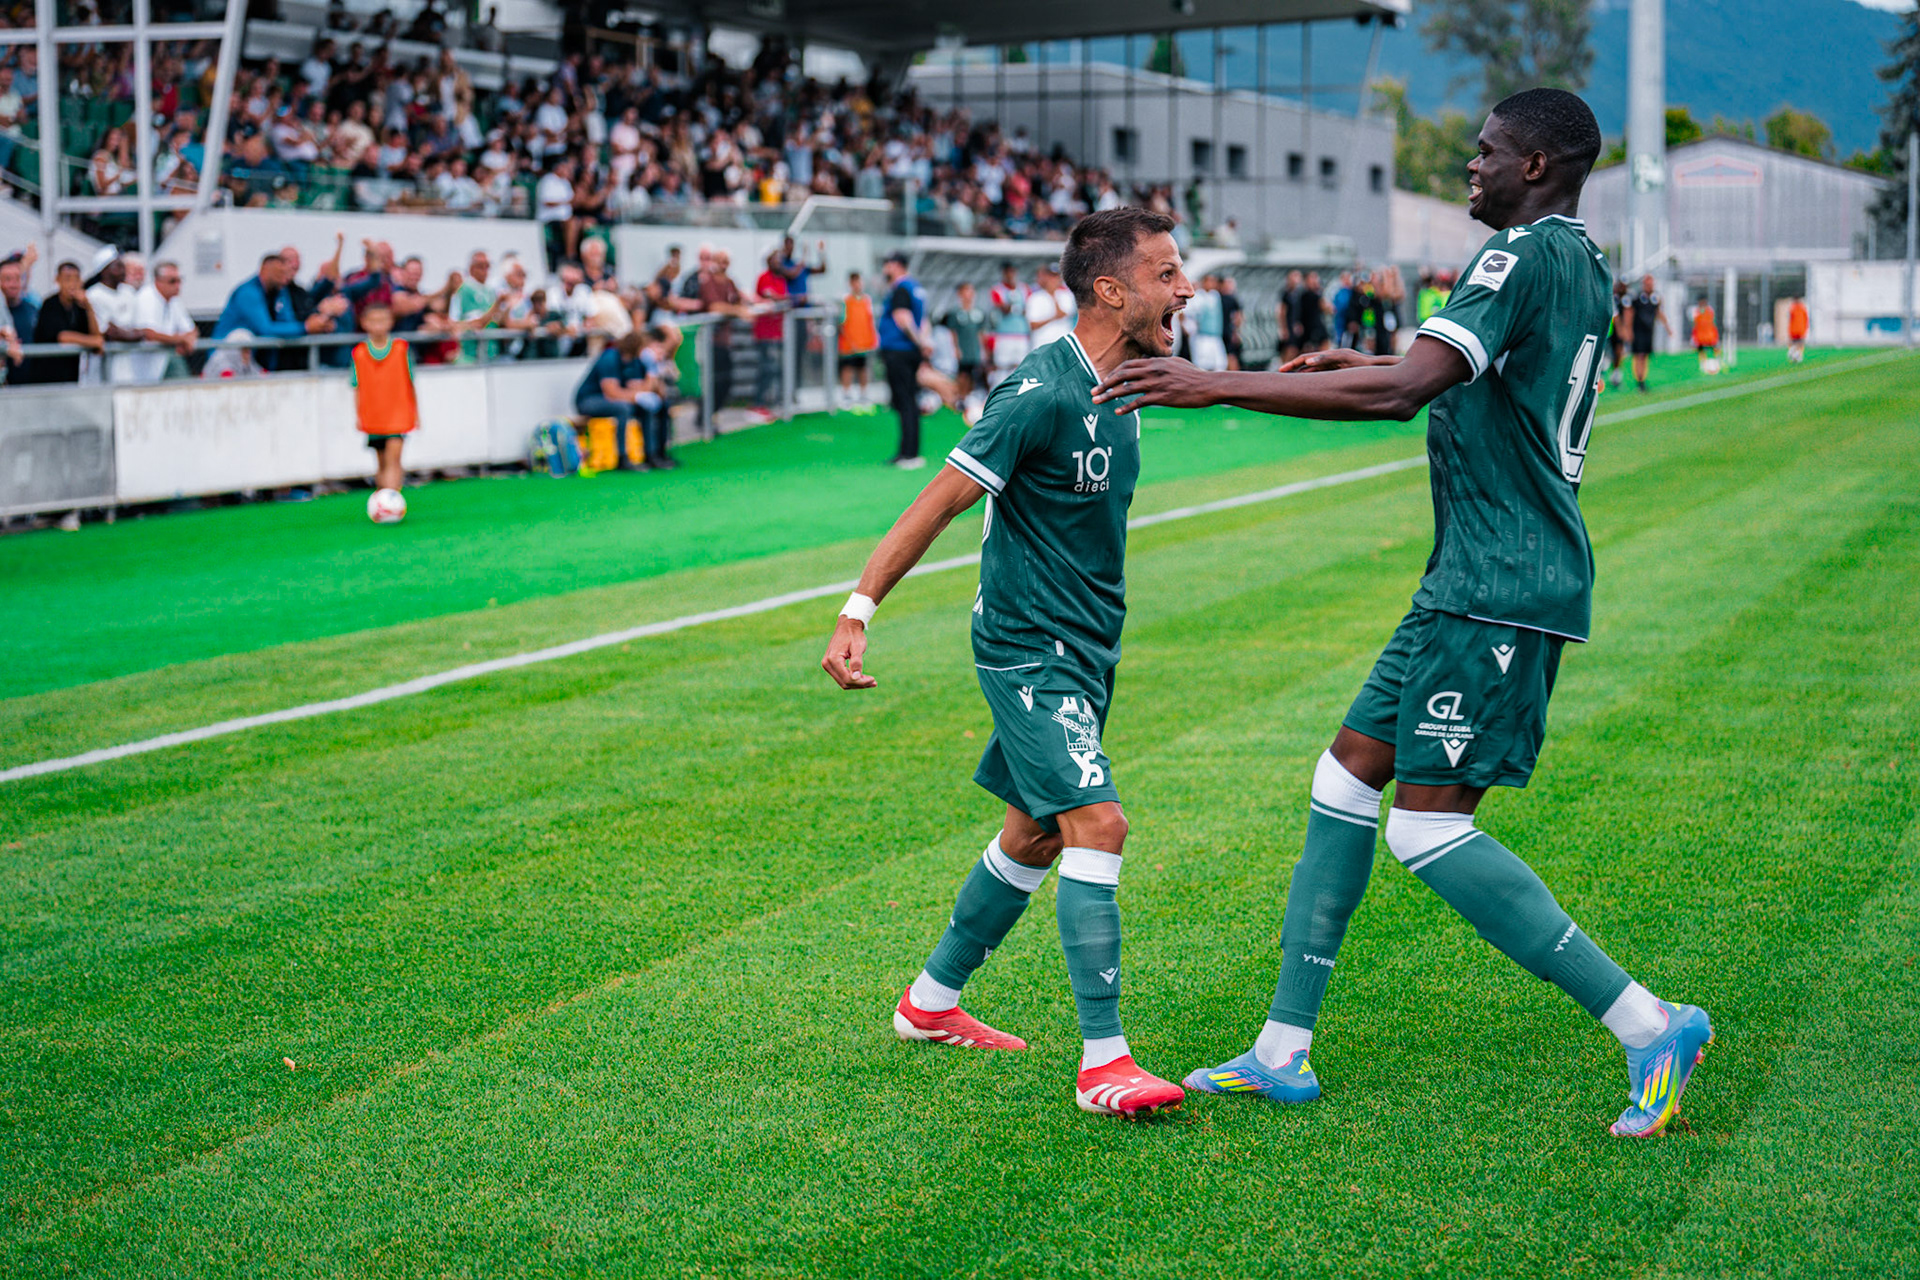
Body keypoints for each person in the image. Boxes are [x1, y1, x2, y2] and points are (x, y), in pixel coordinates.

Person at [1088, 88, 1713, 1139]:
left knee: (1427, 825)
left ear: (1533, 167)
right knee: (1344, 778)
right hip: (1467, 577)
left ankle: (1651, 1021)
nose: (1470, 164)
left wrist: (1215, 382)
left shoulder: (1514, 256)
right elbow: (1444, 378)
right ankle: (1284, 1050)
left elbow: (1407, 391)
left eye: (1485, 151)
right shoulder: (1575, 257)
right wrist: (1365, 361)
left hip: (1501, 582)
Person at [820, 207, 1196, 1118]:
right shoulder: (1039, 392)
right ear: (1111, 290)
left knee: (1034, 831)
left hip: (1089, 642)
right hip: (1030, 647)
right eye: (1166, 273)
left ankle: (930, 1002)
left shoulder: (1135, 380)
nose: (1185, 288)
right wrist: (857, 608)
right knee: (1096, 825)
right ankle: (1104, 1062)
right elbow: (941, 498)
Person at [351, 303, 418, 495]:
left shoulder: (400, 349)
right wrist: (359, 416)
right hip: (374, 415)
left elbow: (410, 383)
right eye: (374, 321)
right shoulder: (359, 353)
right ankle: (383, 497)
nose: (378, 325)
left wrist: (415, 413)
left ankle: (391, 498)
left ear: (390, 322)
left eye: (383, 320)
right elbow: (356, 387)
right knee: (381, 462)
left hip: (398, 413)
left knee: (394, 459)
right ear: (364, 323)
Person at [876, 250, 931, 468]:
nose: (885, 268)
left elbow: (903, 319)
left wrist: (919, 342)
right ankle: (909, 452)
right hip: (910, 352)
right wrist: (924, 343)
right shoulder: (916, 288)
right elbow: (924, 320)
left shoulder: (901, 288)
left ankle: (908, 454)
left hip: (899, 351)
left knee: (905, 401)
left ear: (897, 265)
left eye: (887, 263)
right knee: (910, 400)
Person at [574, 328, 651, 469]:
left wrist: (653, 371)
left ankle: (651, 454)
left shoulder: (634, 361)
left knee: (647, 407)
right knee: (623, 408)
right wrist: (636, 396)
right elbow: (611, 392)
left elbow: (642, 387)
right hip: (589, 400)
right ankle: (622, 457)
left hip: (609, 399)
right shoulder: (610, 357)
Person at [112, 258, 197, 384]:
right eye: (172, 281)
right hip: (144, 367)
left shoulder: (174, 300)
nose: (178, 285)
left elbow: (191, 329)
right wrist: (180, 340)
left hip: (163, 359)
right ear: (158, 281)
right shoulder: (146, 297)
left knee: (182, 388)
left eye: (180, 280)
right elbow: (149, 333)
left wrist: (188, 339)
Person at [19, 261, 102, 385]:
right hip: (46, 378)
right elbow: (63, 336)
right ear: (57, 280)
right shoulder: (50, 304)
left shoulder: (79, 307)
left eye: (76, 279)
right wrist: (93, 342)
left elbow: (95, 336)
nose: (72, 284)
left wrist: (89, 307)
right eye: (67, 279)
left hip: (71, 378)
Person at [752, 249, 789, 417]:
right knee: (765, 369)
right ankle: (759, 403)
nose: (778, 262)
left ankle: (777, 402)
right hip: (764, 334)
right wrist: (785, 299)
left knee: (778, 369)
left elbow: (784, 298)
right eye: (775, 259)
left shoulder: (781, 279)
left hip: (778, 333)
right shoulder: (763, 278)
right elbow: (772, 296)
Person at [938, 281, 989, 402]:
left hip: (974, 350)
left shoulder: (978, 312)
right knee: (962, 374)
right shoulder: (955, 313)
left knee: (974, 374)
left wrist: (984, 349)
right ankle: (959, 398)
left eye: (971, 291)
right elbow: (952, 332)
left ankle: (969, 399)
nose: (969, 294)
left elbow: (981, 332)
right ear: (960, 294)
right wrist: (955, 348)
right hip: (962, 349)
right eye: (966, 291)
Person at [837, 270, 878, 410]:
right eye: (854, 282)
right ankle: (846, 395)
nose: (857, 285)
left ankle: (863, 394)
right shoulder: (846, 301)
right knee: (847, 368)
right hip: (848, 344)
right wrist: (851, 340)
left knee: (862, 368)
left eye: (859, 281)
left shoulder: (867, 300)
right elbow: (842, 323)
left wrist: (872, 338)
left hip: (864, 343)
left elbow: (870, 321)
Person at [1629, 273, 1670, 392]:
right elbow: (1630, 314)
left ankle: (1643, 379)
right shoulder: (1637, 298)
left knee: (1645, 356)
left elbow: (1658, 312)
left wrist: (1667, 327)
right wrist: (1628, 330)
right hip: (1638, 331)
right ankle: (1639, 380)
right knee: (1639, 356)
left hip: (1649, 331)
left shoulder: (1655, 297)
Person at [1025, 260, 1075, 349]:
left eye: (1055, 277)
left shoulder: (1066, 295)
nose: (1053, 280)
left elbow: (1062, 314)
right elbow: (1032, 325)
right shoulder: (1035, 297)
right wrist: (1052, 318)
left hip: (1061, 344)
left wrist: (1053, 296)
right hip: (1041, 344)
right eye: (1051, 276)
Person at [1607, 278, 1631, 388]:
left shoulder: (1626, 299)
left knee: (1619, 353)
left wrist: (1625, 330)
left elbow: (1627, 315)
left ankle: (1616, 375)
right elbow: (1615, 317)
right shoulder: (1613, 298)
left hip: (1618, 332)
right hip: (1611, 331)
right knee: (1609, 353)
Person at [1218, 275, 1243, 370]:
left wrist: (1236, 331)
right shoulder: (1217, 297)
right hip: (1221, 332)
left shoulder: (1232, 299)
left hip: (1227, 331)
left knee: (1231, 356)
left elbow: (1238, 317)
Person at [1691, 297, 1720, 374]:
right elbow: (1695, 323)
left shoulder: (1710, 310)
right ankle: (1702, 365)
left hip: (1710, 334)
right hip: (1700, 335)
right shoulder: (1696, 311)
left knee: (1716, 348)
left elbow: (1712, 322)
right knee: (1701, 350)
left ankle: (1717, 362)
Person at [1786, 296, 1809, 364]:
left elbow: (1789, 318)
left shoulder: (1792, 308)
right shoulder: (1803, 308)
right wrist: (1805, 328)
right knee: (1800, 344)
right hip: (1801, 329)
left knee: (1792, 344)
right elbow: (1806, 319)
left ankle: (1794, 354)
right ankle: (1798, 356)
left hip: (1793, 329)